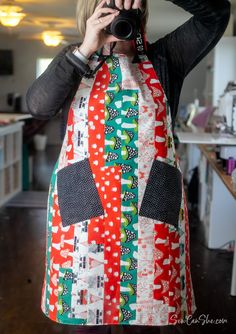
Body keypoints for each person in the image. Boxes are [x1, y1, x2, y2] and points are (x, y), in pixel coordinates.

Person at [26, 0, 231, 333]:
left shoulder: (167, 57)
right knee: (89, 322)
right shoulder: (75, 57)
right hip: (84, 214)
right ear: (91, 12)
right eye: (109, 5)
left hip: (151, 212)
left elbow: (217, 13)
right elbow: (37, 105)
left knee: (146, 321)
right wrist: (84, 49)